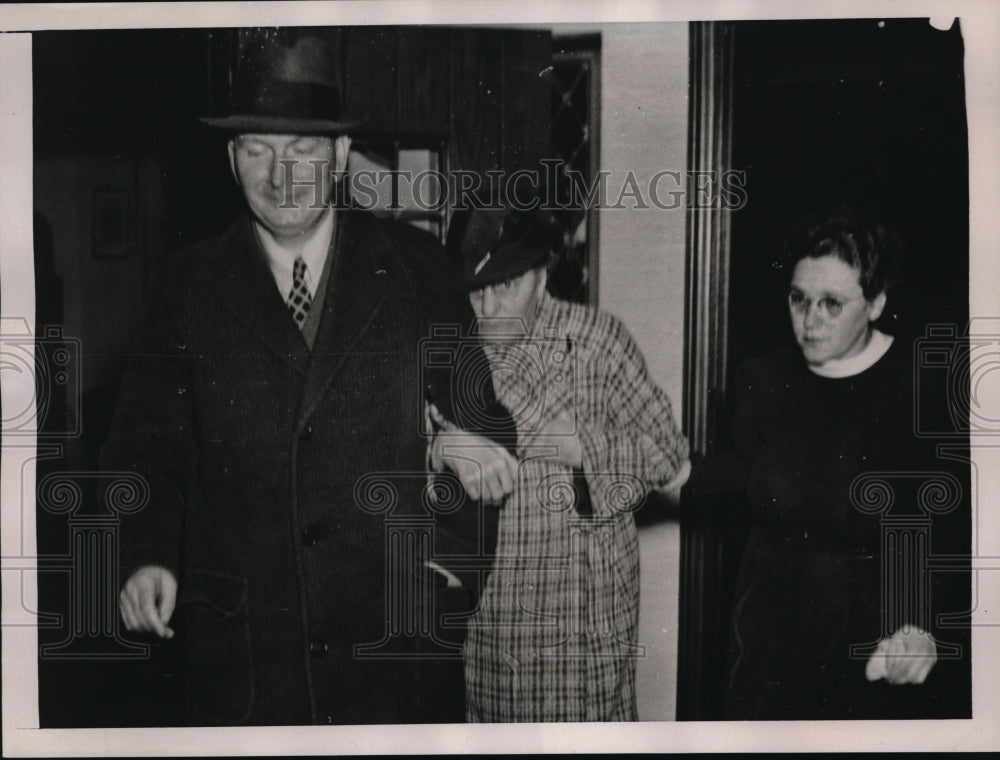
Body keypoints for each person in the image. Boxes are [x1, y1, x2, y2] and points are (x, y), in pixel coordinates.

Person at [104, 34, 514, 726]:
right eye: (258, 149)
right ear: (232, 161)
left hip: (395, 661)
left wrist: (446, 579)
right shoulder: (185, 287)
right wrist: (145, 559)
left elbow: (484, 433)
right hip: (243, 668)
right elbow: (146, 453)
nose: (280, 171)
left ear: (341, 155)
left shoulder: (419, 271)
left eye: (301, 149)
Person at [684, 205, 971, 719]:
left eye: (832, 304)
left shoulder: (923, 386)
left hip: (880, 637)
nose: (810, 321)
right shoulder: (762, 379)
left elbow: (948, 523)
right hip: (771, 638)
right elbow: (747, 477)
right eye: (799, 299)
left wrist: (922, 625)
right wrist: (679, 471)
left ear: (877, 302)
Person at [440, 204, 691, 721]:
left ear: (541, 273)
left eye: (505, 286)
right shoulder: (448, 352)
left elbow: (670, 456)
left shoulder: (600, 341)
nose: (487, 308)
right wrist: (440, 446)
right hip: (494, 621)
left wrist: (582, 448)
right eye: (474, 289)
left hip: (587, 616)